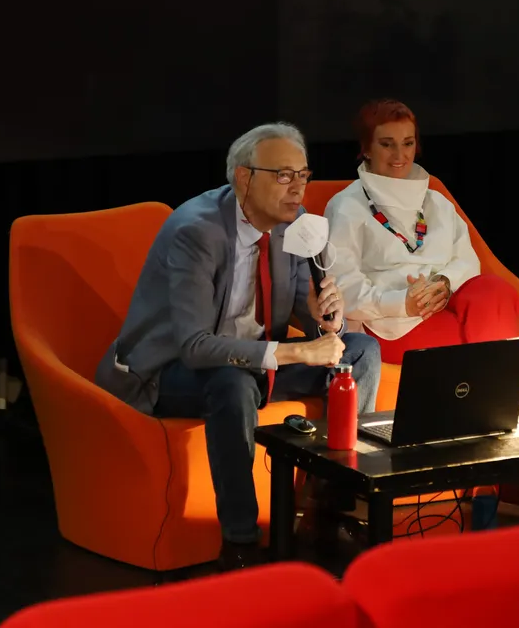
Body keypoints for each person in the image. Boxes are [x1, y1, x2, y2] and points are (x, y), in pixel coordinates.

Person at [95, 122, 381, 571]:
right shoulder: (197, 231)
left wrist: (331, 316)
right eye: (284, 176)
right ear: (244, 178)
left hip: (254, 359)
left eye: (303, 175)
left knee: (361, 351)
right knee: (233, 383)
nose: (298, 189)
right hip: (168, 372)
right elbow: (194, 346)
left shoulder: (294, 226)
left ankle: (328, 506)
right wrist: (291, 353)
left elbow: (311, 315)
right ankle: (241, 543)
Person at [324, 98, 519, 519]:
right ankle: (502, 470)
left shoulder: (436, 202)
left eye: (407, 143)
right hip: (391, 324)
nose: (400, 155)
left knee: (493, 291)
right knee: (487, 343)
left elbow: (468, 262)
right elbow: (343, 285)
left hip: (448, 311)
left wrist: (443, 284)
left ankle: (490, 469)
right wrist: (401, 300)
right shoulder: (346, 206)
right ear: (365, 148)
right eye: (387, 144)